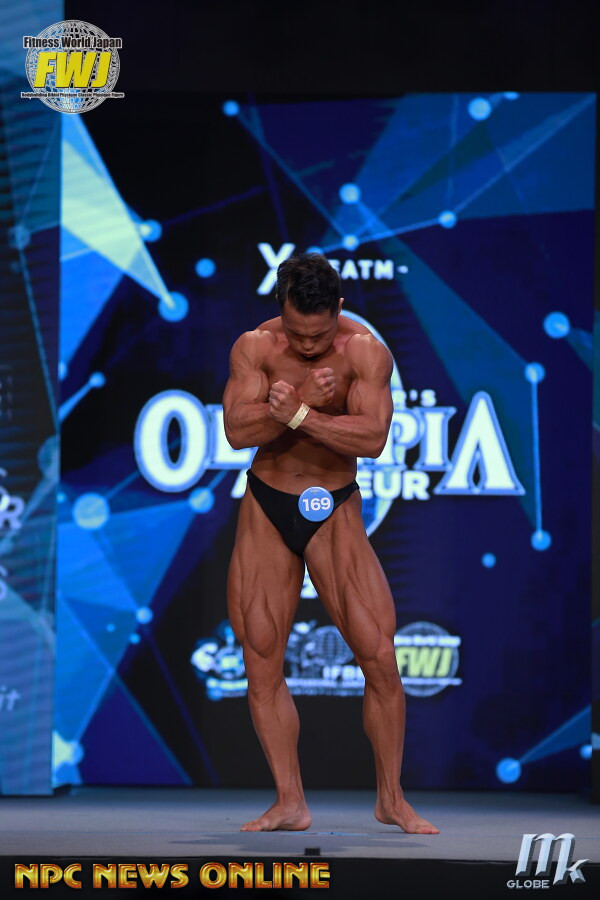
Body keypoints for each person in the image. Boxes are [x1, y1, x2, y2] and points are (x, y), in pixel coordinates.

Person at [223, 252, 439, 835]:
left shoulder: (365, 352)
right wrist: (303, 404)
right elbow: (237, 431)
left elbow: (371, 438)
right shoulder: (255, 347)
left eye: (319, 335)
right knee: (260, 654)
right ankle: (289, 802)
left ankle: (391, 799)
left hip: (332, 504)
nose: (308, 345)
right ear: (281, 311)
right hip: (268, 501)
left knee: (379, 655)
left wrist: (299, 413)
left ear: (339, 310)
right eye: (298, 333)